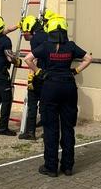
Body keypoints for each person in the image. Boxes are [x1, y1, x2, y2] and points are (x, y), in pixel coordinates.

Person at [25, 16, 92, 177]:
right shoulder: (71, 46)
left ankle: (51, 167)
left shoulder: (46, 46)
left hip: (50, 87)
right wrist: (74, 71)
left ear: (51, 31)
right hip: (69, 87)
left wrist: (40, 72)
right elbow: (88, 58)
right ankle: (68, 166)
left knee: (50, 128)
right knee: (68, 128)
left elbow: (28, 59)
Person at [19, 14, 48, 140]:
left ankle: (30, 132)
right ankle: (47, 131)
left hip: (38, 74)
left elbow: (33, 58)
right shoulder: (47, 36)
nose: (25, 35)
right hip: (49, 74)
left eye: (25, 32)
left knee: (32, 103)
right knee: (46, 104)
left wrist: (31, 76)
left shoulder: (35, 40)